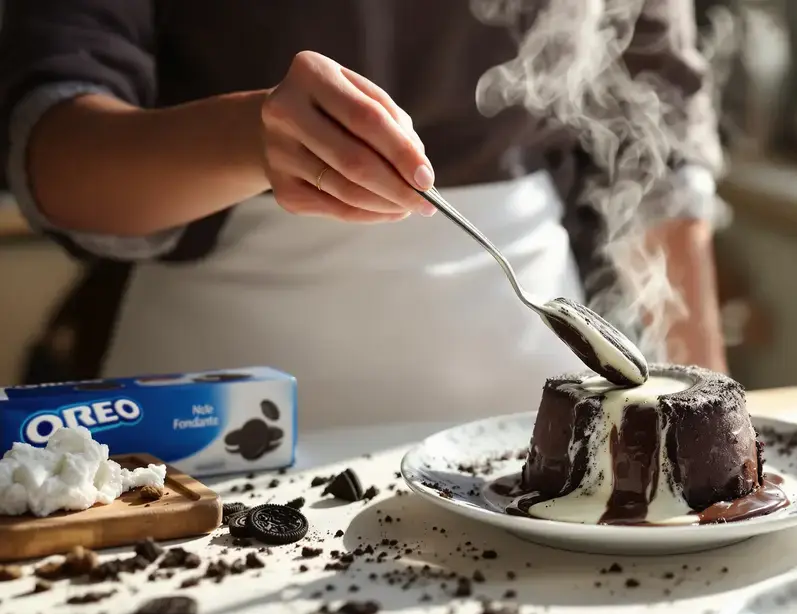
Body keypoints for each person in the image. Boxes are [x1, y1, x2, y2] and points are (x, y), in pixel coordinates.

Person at [0, 1, 725, 430]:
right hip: (206, 434)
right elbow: (53, 151)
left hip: (532, 435)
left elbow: (657, 152)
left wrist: (714, 438)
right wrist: (247, 136)